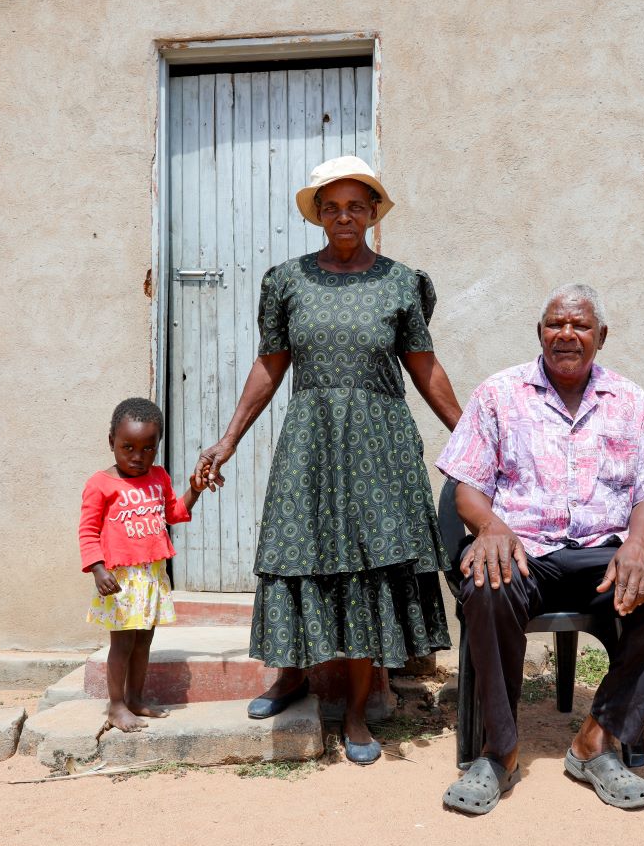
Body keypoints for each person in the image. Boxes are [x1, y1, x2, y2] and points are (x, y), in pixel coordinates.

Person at [197, 156, 462, 765]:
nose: (344, 216)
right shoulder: (286, 282)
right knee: (297, 552)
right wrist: (228, 438)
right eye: (332, 206)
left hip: (379, 439)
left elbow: (423, 366)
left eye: (356, 206)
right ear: (318, 215)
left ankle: (360, 712)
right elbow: (270, 365)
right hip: (312, 436)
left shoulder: (401, 283)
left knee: (368, 566)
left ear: (373, 214)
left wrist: (469, 432)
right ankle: (291, 676)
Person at [435, 283, 644, 814]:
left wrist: (639, 543)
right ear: (539, 333)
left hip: (601, 559)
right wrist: (490, 528)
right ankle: (499, 751)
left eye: (580, 326)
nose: (566, 334)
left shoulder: (628, 399)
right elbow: (466, 486)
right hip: (524, 553)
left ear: (600, 337)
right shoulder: (499, 392)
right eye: (555, 324)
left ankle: (597, 736)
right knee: (487, 579)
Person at [80, 397, 206, 732]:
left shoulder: (159, 477)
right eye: (128, 447)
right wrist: (98, 569)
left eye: (148, 449)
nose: (138, 457)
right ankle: (116, 706)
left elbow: (174, 514)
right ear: (111, 442)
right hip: (120, 579)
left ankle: (135, 699)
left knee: (144, 641)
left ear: (157, 446)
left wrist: (193, 490)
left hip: (150, 574)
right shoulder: (100, 484)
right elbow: (88, 531)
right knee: (121, 644)